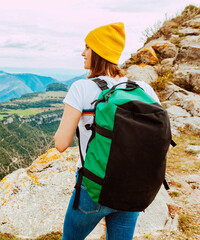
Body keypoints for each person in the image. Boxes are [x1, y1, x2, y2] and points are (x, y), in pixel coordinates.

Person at [54, 22, 161, 240]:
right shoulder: (143, 89)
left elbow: (61, 144)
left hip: (93, 186)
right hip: (133, 185)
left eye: (87, 48)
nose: (82, 53)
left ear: (99, 52)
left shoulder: (81, 88)